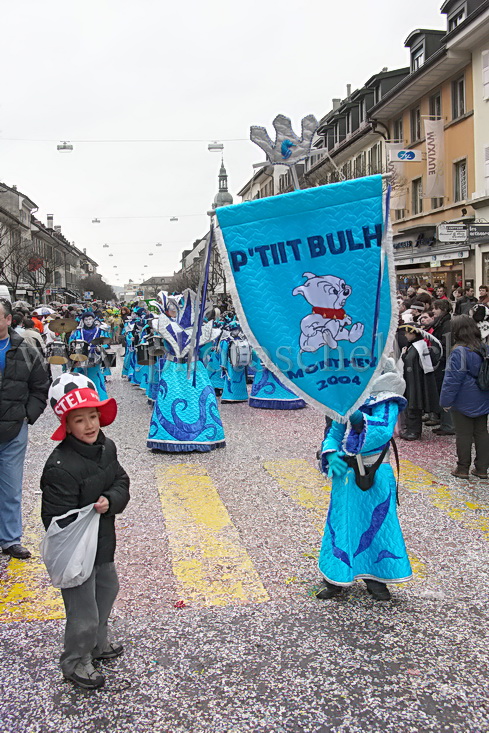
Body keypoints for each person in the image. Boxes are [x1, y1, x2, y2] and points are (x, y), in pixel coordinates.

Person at [41, 372, 130, 689]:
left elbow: (121, 481)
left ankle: (97, 643)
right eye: (80, 420)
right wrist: (88, 509)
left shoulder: (107, 448)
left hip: (103, 544)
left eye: (93, 416)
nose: (90, 425)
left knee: (107, 590)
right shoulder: (60, 467)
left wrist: (111, 500)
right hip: (77, 552)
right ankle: (76, 661)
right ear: (66, 425)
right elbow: (54, 519)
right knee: (83, 611)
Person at [316, 359, 412, 601]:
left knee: (376, 524)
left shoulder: (388, 398)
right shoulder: (349, 393)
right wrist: (329, 452)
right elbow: (335, 431)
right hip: (345, 476)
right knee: (341, 522)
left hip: (374, 473)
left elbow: (382, 431)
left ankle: (376, 577)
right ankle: (336, 575)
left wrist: (359, 420)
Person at [0, 298, 50, 559]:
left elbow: (41, 385)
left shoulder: (26, 350)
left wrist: (27, 416)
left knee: (10, 488)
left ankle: (9, 539)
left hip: (13, 430)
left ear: (9, 320)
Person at [440, 316, 489, 479]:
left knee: (464, 434)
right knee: (481, 432)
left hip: (464, 398)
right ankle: (482, 469)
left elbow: (452, 379)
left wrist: (445, 401)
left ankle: (462, 468)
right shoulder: (484, 347)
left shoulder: (459, 351)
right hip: (483, 395)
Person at [398, 324, 441, 440]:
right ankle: (412, 429)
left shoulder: (419, 346)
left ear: (413, 333)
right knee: (412, 403)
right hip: (412, 380)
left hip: (416, 381)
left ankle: (414, 431)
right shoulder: (414, 346)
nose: (405, 336)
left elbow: (420, 365)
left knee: (414, 404)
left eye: (407, 333)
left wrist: (404, 355)